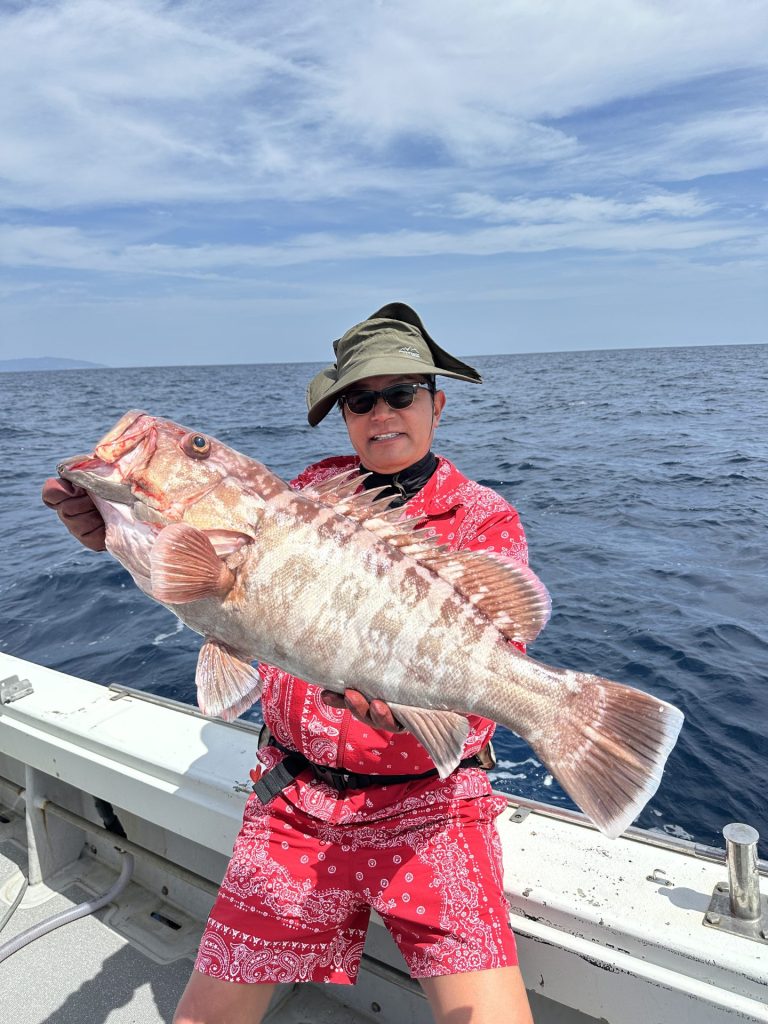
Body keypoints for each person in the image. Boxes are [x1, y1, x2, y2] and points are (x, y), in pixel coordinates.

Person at [42, 303, 535, 1024]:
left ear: (437, 405)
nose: (381, 412)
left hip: (432, 811)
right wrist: (119, 528)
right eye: (360, 400)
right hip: (293, 803)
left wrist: (420, 709)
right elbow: (213, 588)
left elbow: (499, 655)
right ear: (344, 416)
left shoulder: (483, 517)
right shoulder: (303, 491)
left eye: (401, 394)